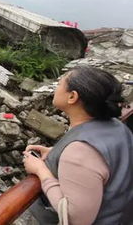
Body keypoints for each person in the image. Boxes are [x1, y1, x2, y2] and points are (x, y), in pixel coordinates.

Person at [23, 66, 133, 225]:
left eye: (60, 83)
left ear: (72, 97)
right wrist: (57, 153)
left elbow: (75, 218)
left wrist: (41, 170)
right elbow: (103, 163)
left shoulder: (80, 151)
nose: (56, 87)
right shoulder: (117, 126)